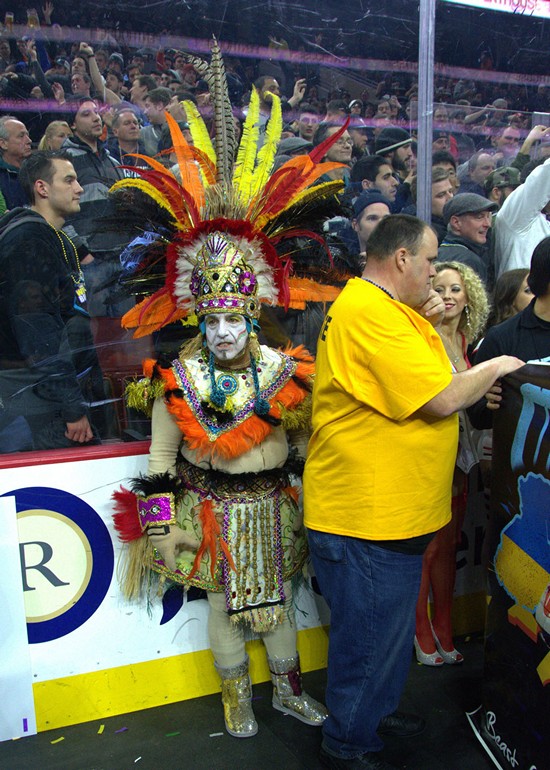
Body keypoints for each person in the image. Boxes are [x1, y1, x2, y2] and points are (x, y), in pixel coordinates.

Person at [111, 40, 348, 742]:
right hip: (211, 513)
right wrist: (161, 524)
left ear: (254, 311)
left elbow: (305, 448)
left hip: (275, 513)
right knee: (223, 612)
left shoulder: (287, 371)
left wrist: (311, 507)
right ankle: (234, 698)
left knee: (278, 610)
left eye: (233, 317)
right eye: (210, 318)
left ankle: (287, 693)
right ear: (196, 315)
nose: (221, 331)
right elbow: (158, 460)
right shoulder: (175, 380)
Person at [303, 214, 523, 769]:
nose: (434, 274)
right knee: (368, 640)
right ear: (401, 259)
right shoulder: (371, 314)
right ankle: (348, 741)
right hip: (365, 517)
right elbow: (442, 399)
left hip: (388, 514)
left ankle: (372, 712)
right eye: (428, 262)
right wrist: (498, 363)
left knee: (386, 635)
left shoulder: (384, 310)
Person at [0, 150, 103, 450]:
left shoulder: (50, 237)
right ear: (42, 188)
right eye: (69, 180)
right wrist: (71, 407)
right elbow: (38, 334)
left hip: (48, 395)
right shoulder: (28, 240)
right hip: (42, 402)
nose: (79, 188)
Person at [414, 261, 489, 666]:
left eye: (455, 288)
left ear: (468, 298)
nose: (446, 295)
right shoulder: (420, 339)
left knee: (448, 545)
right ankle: (420, 629)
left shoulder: (465, 342)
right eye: (438, 287)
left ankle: (444, 624)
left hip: (463, 457)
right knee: (427, 548)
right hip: (427, 456)